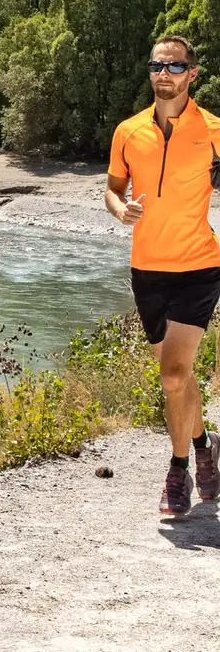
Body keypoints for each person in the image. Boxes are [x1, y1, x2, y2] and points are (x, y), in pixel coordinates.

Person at [106, 35, 220, 517]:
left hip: (198, 266)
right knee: (178, 377)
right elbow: (112, 187)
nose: (164, 73)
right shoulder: (129, 131)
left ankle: (178, 470)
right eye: (156, 65)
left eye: (174, 66)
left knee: (173, 378)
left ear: (192, 73)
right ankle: (204, 444)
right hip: (147, 269)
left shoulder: (214, 129)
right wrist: (120, 209)